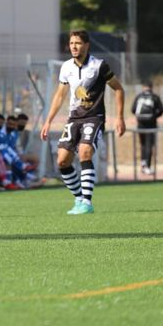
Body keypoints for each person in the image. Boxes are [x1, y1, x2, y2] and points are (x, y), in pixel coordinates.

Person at [40, 29, 125, 215]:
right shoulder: (66, 67)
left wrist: (120, 117)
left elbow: (118, 89)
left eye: (78, 43)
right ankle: (79, 199)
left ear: (86, 45)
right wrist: (48, 121)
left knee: (85, 152)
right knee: (62, 161)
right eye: (71, 43)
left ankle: (87, 202)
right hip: (74, 118)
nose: (74, 47)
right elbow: (60, 95)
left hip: (94, 117)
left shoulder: (99, 66)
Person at [132, 81, 163, 175]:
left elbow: (133, 110)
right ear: (151, 87)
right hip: (151, 125)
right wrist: (154, 117)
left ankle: (143, 163)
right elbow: (161, 110)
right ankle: (147, 166)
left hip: (140, 125)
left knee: (143, 145)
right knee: (149, 145)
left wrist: (140, 118)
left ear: (143, 87)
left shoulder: (139, 97)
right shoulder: (154, 97)